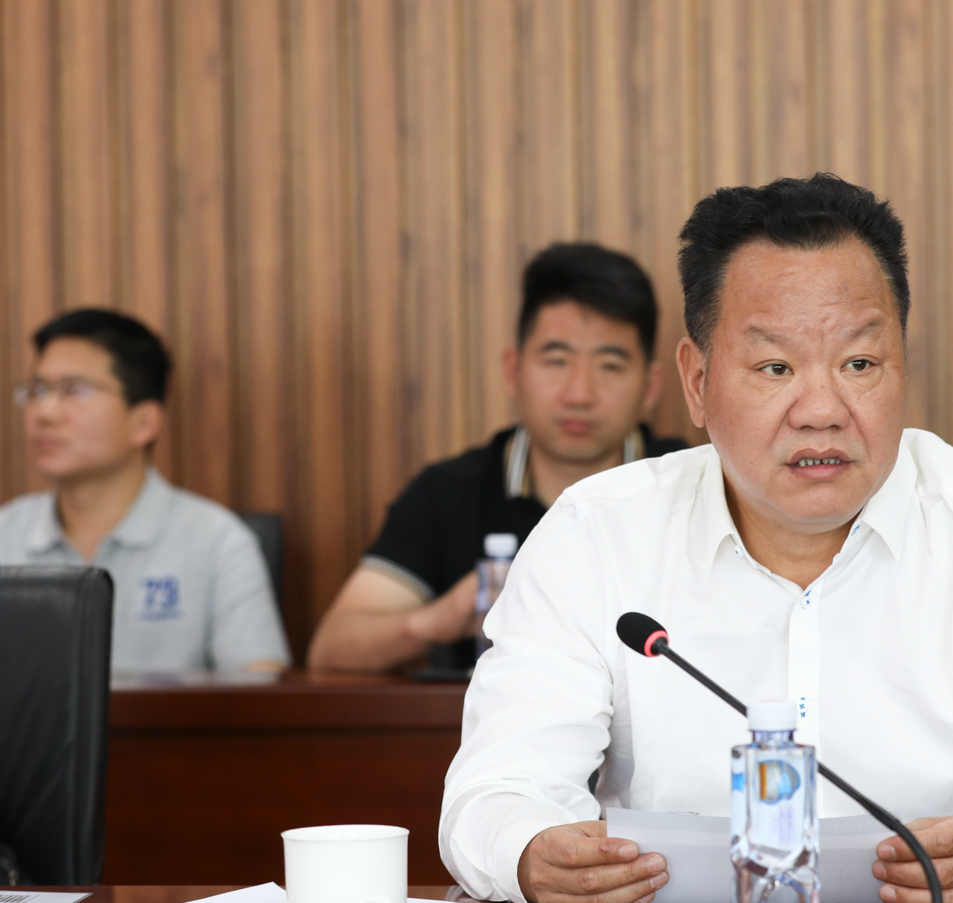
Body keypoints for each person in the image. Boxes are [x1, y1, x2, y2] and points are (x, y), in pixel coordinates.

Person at [440, 175, 953, 903]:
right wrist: (533, 854)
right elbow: (497, 790)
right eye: (776, 368)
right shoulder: (597, 534)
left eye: (860, 364)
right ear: (696, 381)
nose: (822, 411)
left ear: (902, 365)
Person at [308, 243, 688, 674]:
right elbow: (332, 649)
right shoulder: (448, 492)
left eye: (610, 365)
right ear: (513, 370)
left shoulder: (696, 485)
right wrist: (437, 620)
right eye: (557, 361)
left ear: (651, 386)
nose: (580, 394)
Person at [0, 309, 289, 675]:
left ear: (144, 422)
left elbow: (258, 685)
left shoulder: (217, 541)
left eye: (74, 390)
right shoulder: (5, 533)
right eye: (37, 390)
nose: (45, 412)